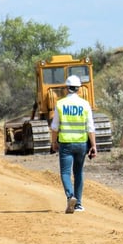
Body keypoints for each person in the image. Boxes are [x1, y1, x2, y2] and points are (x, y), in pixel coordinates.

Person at [49, 74, 98, 213]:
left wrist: (54, 142)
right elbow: (90, 127)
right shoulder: (85, 104)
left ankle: (70, 196)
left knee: (65, 172)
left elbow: (54, 127)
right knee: (78, 172)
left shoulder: (60, 104)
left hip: (65, 143)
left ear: (66, 88)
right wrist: (93, 145)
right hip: (81, 144)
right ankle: (78, 204)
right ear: (78, 89)